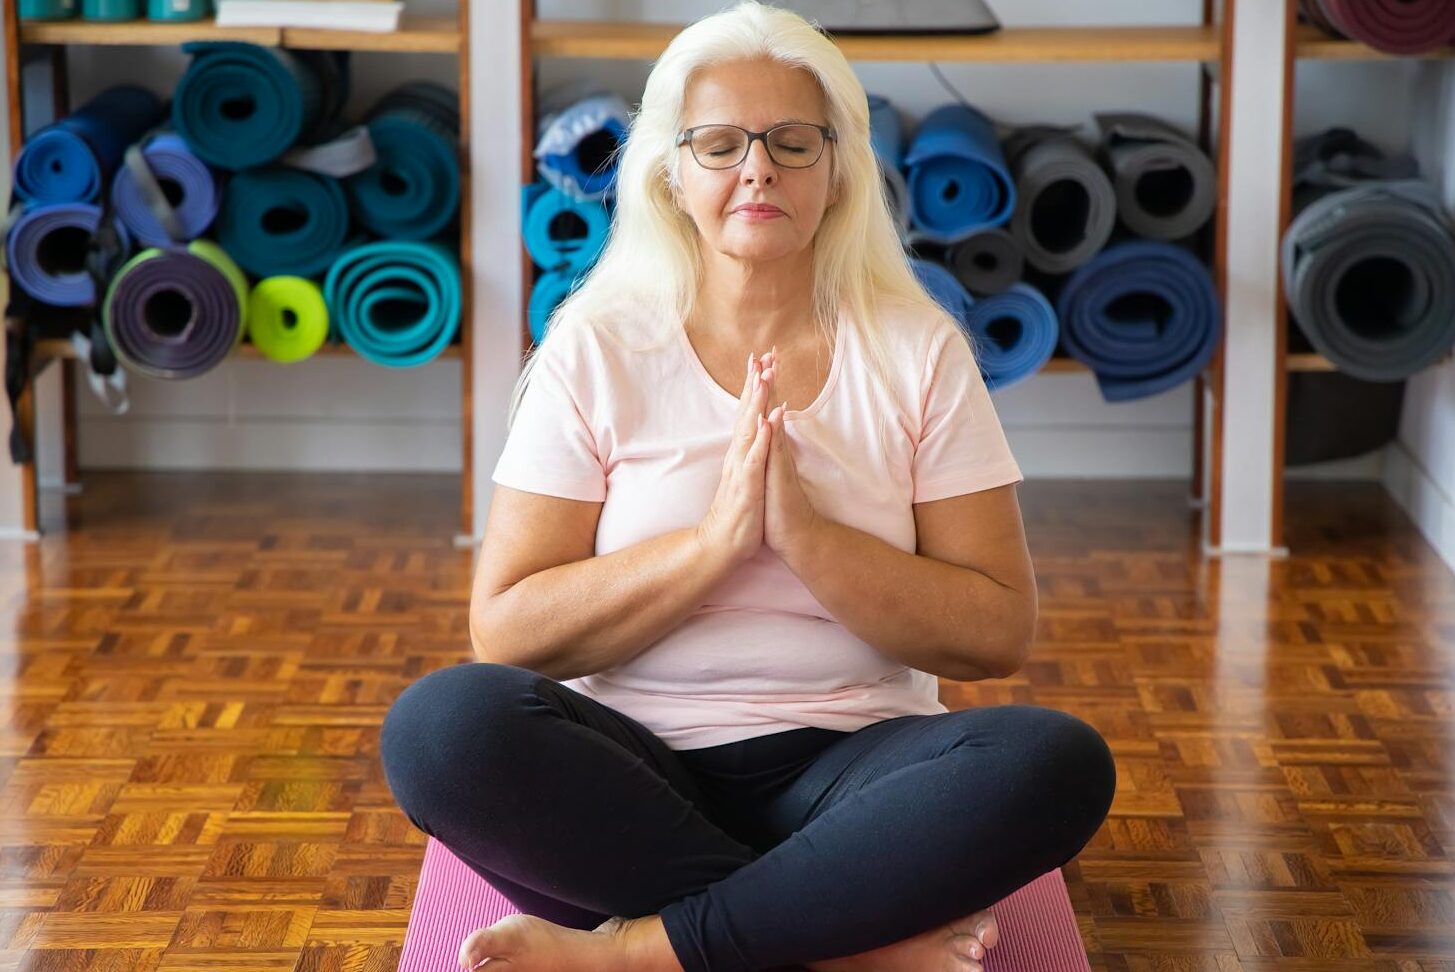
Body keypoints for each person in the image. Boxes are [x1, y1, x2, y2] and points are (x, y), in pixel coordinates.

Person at [380, 3, 1116, 971]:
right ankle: (838, 939)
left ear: (837, 169)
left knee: (1054, 765)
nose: (756, 169)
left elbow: (995, 631)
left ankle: (634, 953)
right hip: (629, 775)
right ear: (671, 174)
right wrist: (711, 546)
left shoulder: (914, 351)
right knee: (440, 730)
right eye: (719, 144)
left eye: (790, 143)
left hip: (854, 767)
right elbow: (507, 628)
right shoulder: (596, 348)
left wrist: (807, 540)